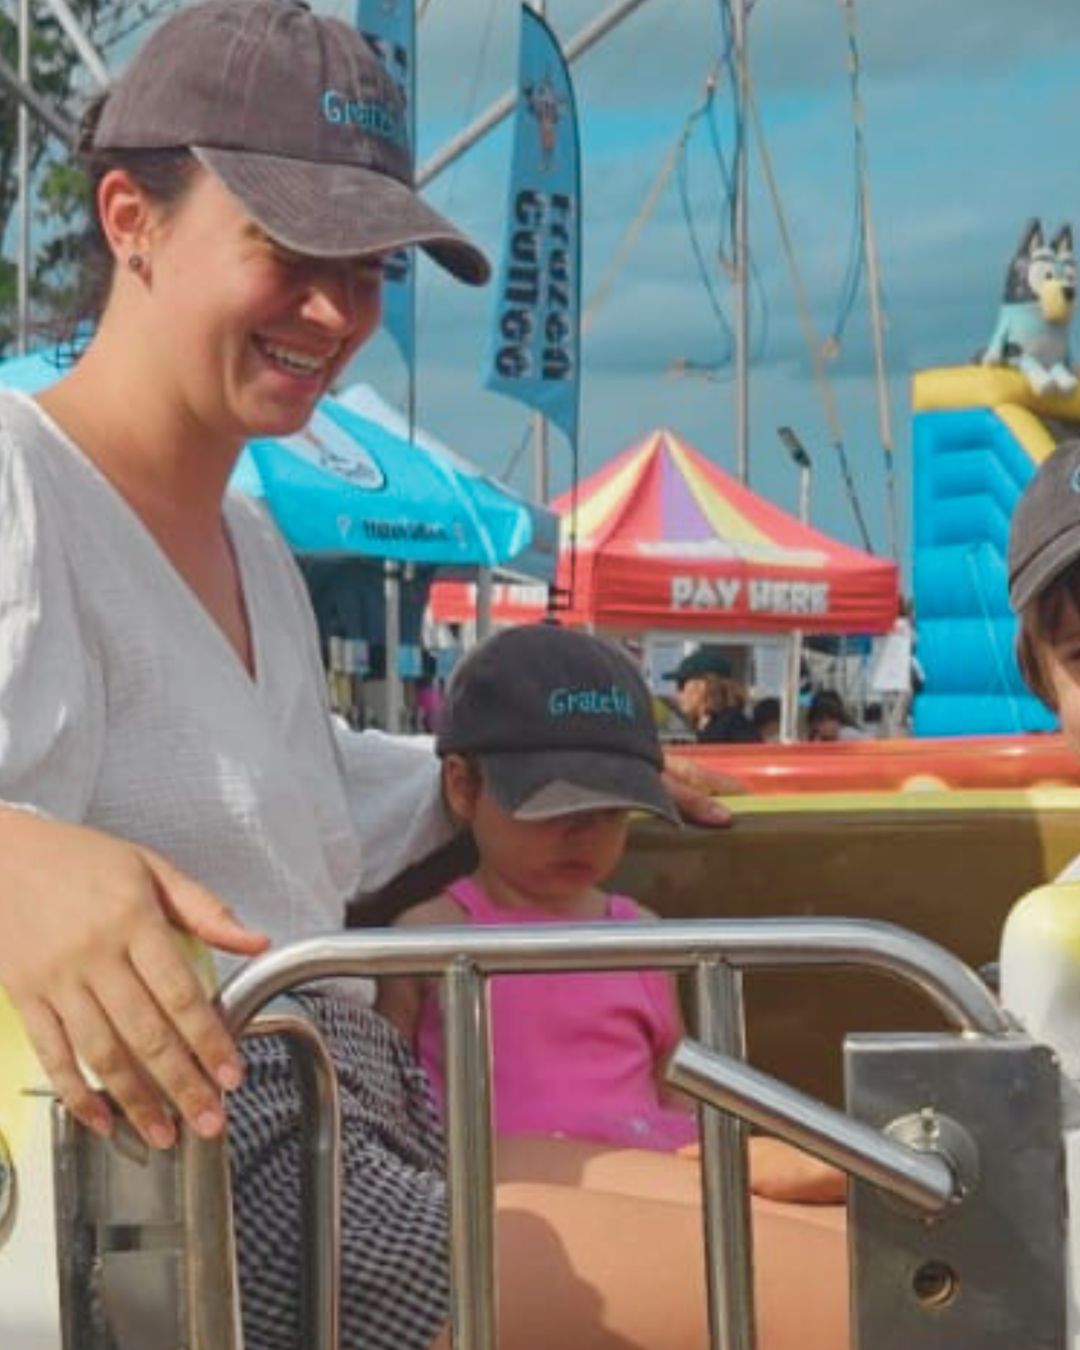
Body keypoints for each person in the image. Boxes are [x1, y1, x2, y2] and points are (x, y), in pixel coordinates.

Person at [0, 4, 848, 1349]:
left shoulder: (250, 541)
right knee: (879, 1305)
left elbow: (298, 783)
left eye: (370, 267)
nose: (335, 311)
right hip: (191, 1175)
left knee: (852, 1214)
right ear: (130, 218)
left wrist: (562, 765)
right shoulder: (19, 480)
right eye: (289, 250)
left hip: (346, 1104)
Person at [377, 625, 847, 1207]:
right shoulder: (427, 935)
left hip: (648, 1173)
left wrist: (712, 1157)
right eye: (552, 805)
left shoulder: (640, 933)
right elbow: (383, 1093)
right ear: (463, 787)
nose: (584, 832)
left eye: (611, 808)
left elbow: (673, 1076)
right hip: (497, 1199)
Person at [669, 646, 762, 744]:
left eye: (681, 684)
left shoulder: (731, 726)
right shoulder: (715, 725)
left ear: (704, 686)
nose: (677, 693)